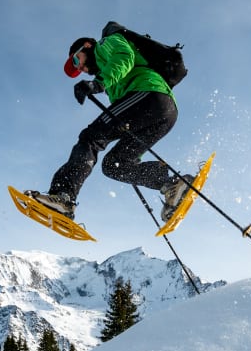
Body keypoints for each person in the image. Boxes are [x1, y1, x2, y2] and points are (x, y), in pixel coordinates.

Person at [26, 26, 192, 222]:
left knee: (90, 138)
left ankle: (63, 198)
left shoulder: (107, 43)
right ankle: (172, 185)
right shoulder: (111, 78)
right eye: (77, 69)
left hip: (150, 95)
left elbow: (124, 58)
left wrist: (98, 84)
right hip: (164, 113)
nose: (80, 69)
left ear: (86, 46)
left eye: (76, 60)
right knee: (115, 165)